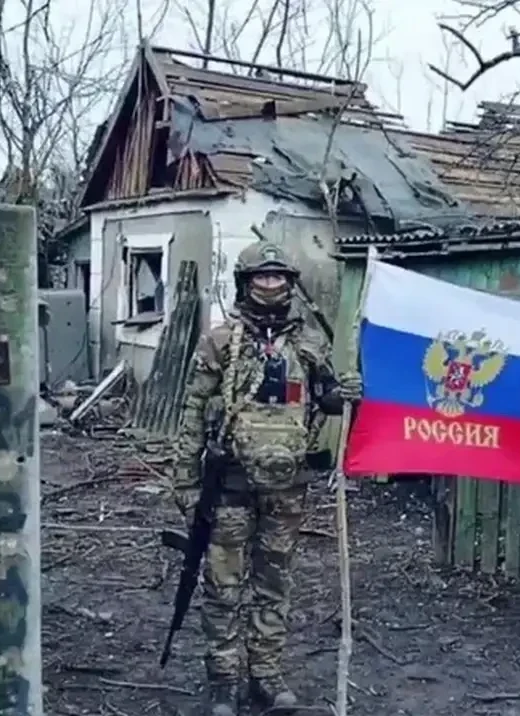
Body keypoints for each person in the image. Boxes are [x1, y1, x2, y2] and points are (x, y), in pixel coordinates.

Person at [172, 241, 362, 716]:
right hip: (229, 487)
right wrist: (185, 481)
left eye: (279, 277)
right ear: (246, 282)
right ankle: (223, 681)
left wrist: (347, 393)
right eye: (262, 276)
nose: (271, 284)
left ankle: (266, 675)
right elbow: (192, 412)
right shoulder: (220, 341)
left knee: (274, 584)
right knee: (223, 586)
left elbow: (327, 399)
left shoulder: (309, 343)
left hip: (286, 488)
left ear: (290, 283)